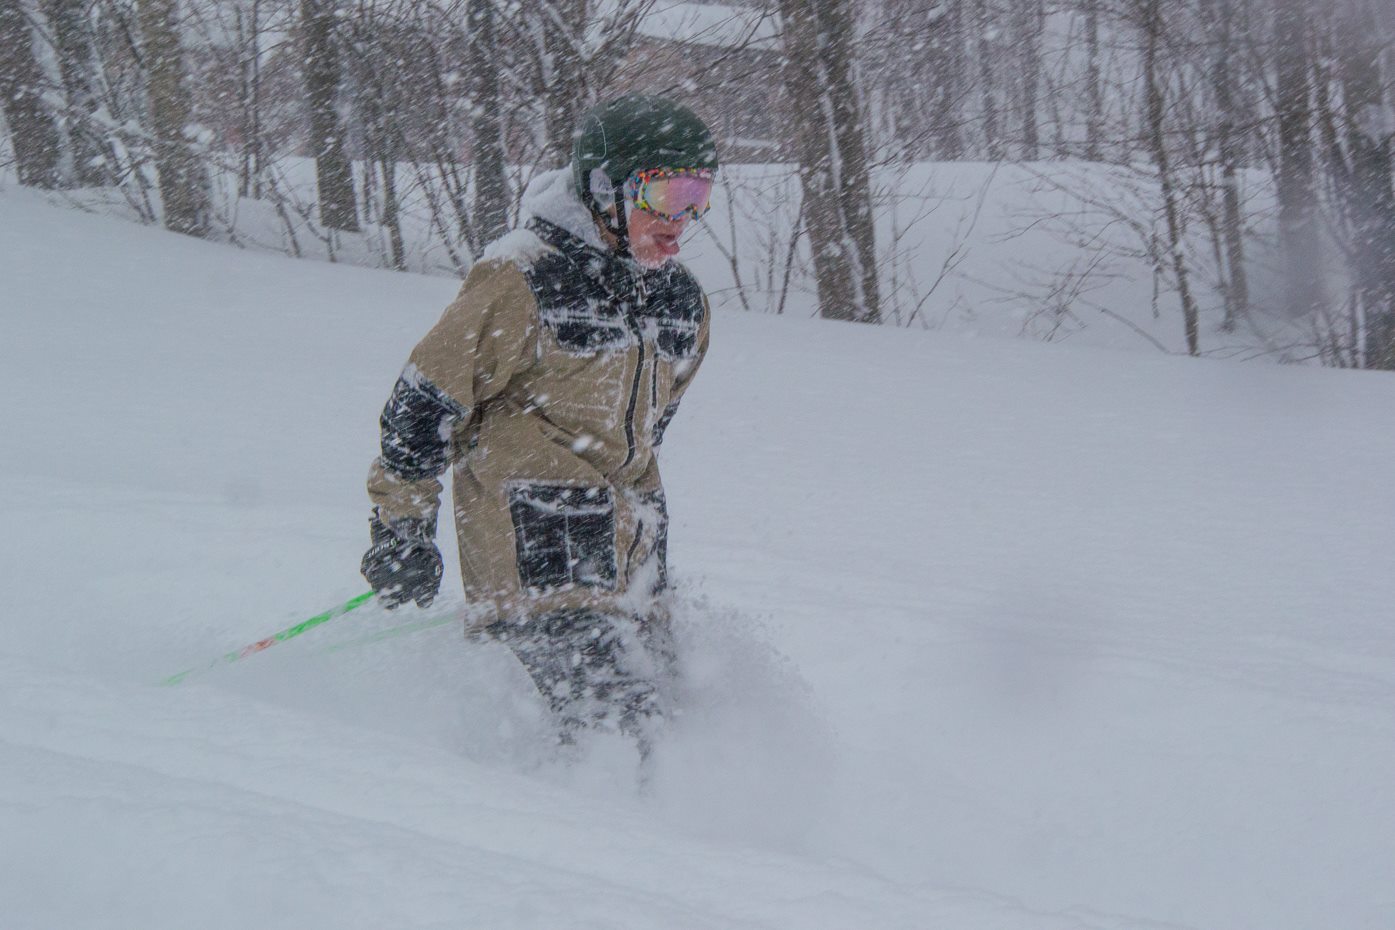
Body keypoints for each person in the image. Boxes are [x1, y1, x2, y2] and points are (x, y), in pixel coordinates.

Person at [360, 94, 718, 751]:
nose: (683, 219)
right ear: (606, 187)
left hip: (635, 571)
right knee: (613, 743)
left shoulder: (681, 303)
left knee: (679, 734)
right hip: (536, 561)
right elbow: (423, 404)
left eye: (698, 195)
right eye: (666, 195)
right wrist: (400, 530)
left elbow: (648, 430)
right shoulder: (522, 278)